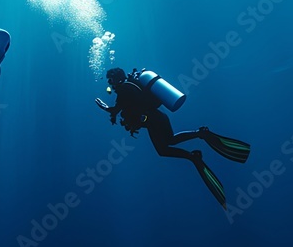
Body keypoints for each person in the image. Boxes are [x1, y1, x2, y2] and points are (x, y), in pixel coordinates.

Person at [95, 67, 251, 209]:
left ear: (117, 78)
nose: (109, 82)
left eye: (110, 79)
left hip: (153, 120)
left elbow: (115, 110)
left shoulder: (124, 89)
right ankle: (199, 135)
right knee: (169, 142)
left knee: (164, 149)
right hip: (156, 118)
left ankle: (194, 154)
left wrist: (105, 107)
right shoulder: (130, 86)